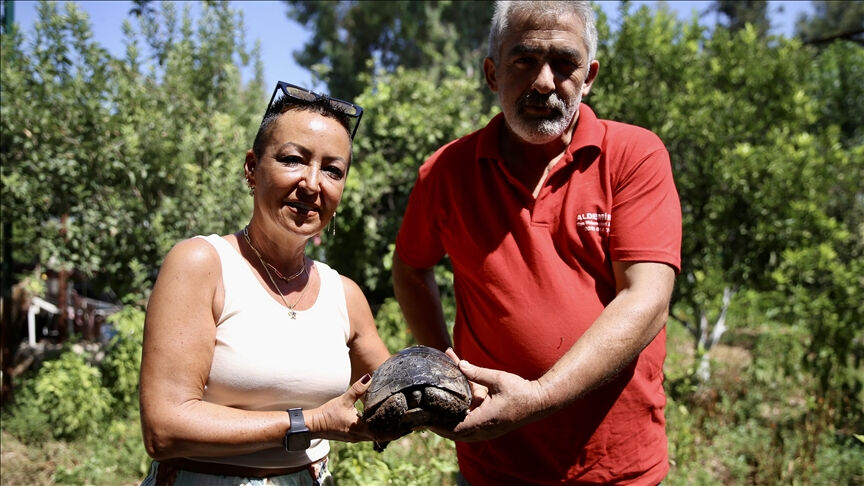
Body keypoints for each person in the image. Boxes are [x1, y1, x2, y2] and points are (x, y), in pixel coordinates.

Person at [392, 1, 682, 484]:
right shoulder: (447, 171)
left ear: (588, 77)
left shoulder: (634, 155)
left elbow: (647, 299)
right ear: (491, 73)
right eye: (524, 60)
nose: (544, 82)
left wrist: (539, 397)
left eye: (564, 63)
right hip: (494, 464)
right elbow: (410, 268)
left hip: (614, 467)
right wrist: (447, 370)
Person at [139, 81, 392, 486]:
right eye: (293, 159)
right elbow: (164, 428)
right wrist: (311, 422)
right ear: (252, 168)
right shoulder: (203, 264)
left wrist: (454, 383)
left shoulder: (343, 294)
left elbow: (396, 391)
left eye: (332, 170)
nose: (312, 184)